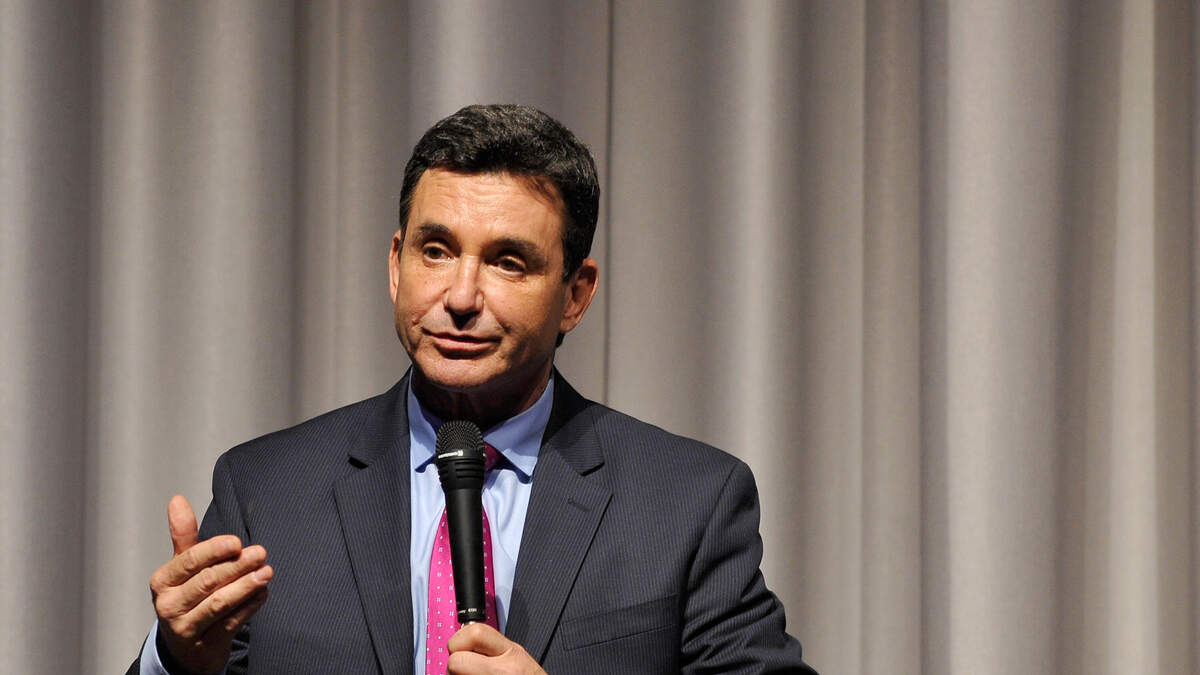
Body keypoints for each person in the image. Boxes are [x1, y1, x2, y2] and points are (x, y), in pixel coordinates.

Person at [128, 104, 816, 674]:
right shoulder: (266, 489)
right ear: (395, 264)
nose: (461, 296)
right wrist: (178, 662)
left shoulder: (686, 502)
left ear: (576, 295)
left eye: (508, 262)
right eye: (435, 251)